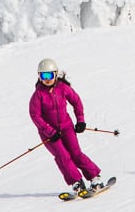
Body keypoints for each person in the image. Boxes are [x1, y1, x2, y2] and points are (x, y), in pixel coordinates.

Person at [28, 59, 103, 195]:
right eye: (43, 76)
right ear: (39, 76)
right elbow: (35, 115)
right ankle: (77, 183)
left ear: (56, 74)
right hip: (48, 133)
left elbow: (76, 101)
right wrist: (49, 131)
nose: (47, 79)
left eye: (50, 75)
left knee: (76, 154)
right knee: (62, 156)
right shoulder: (38, 95)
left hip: (66, 127)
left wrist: (80, 120)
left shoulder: (62, 88)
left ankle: (95, 177)